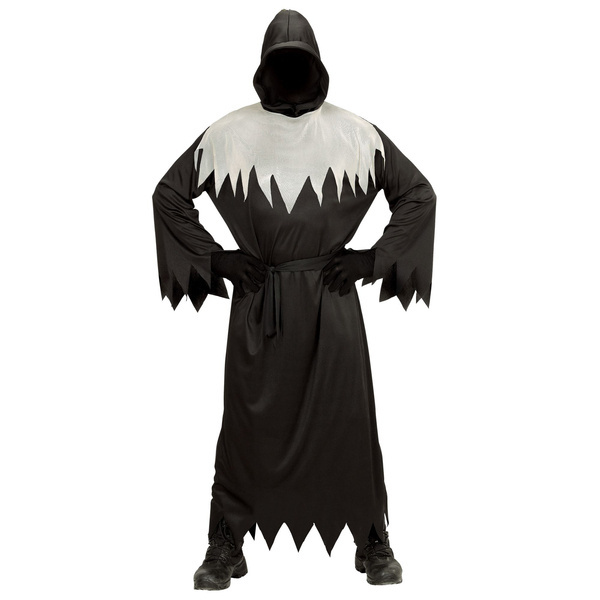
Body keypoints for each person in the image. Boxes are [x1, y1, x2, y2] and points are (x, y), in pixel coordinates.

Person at [152, 8, 436, 590]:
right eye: (281, 63)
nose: (289, 72)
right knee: (247, 424)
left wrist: (372, 260)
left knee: (348, 419)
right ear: (264, 70)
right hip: (262, 303)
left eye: (297, 62)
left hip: (332, 302)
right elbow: (168, 196)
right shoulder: (227, 135)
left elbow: (418, 195)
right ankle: (226, 541)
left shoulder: (356, 134)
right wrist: (217, 259)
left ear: (316, 67)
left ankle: (371, 537)